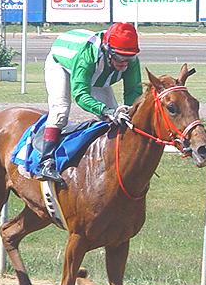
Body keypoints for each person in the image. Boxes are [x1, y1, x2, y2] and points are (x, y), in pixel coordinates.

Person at [39, 22, 143, 182]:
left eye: (128, 58)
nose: (124, 63)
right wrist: (106, 111)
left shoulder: (131, 60)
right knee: (61, 110)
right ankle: (46, 161)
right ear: (107, 50)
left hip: (96, 75)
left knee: (116, 121)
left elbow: (133, 92)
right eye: (119, 57)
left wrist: (129, 111)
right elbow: (80, 94)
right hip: (61, 64)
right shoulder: (87, 55)